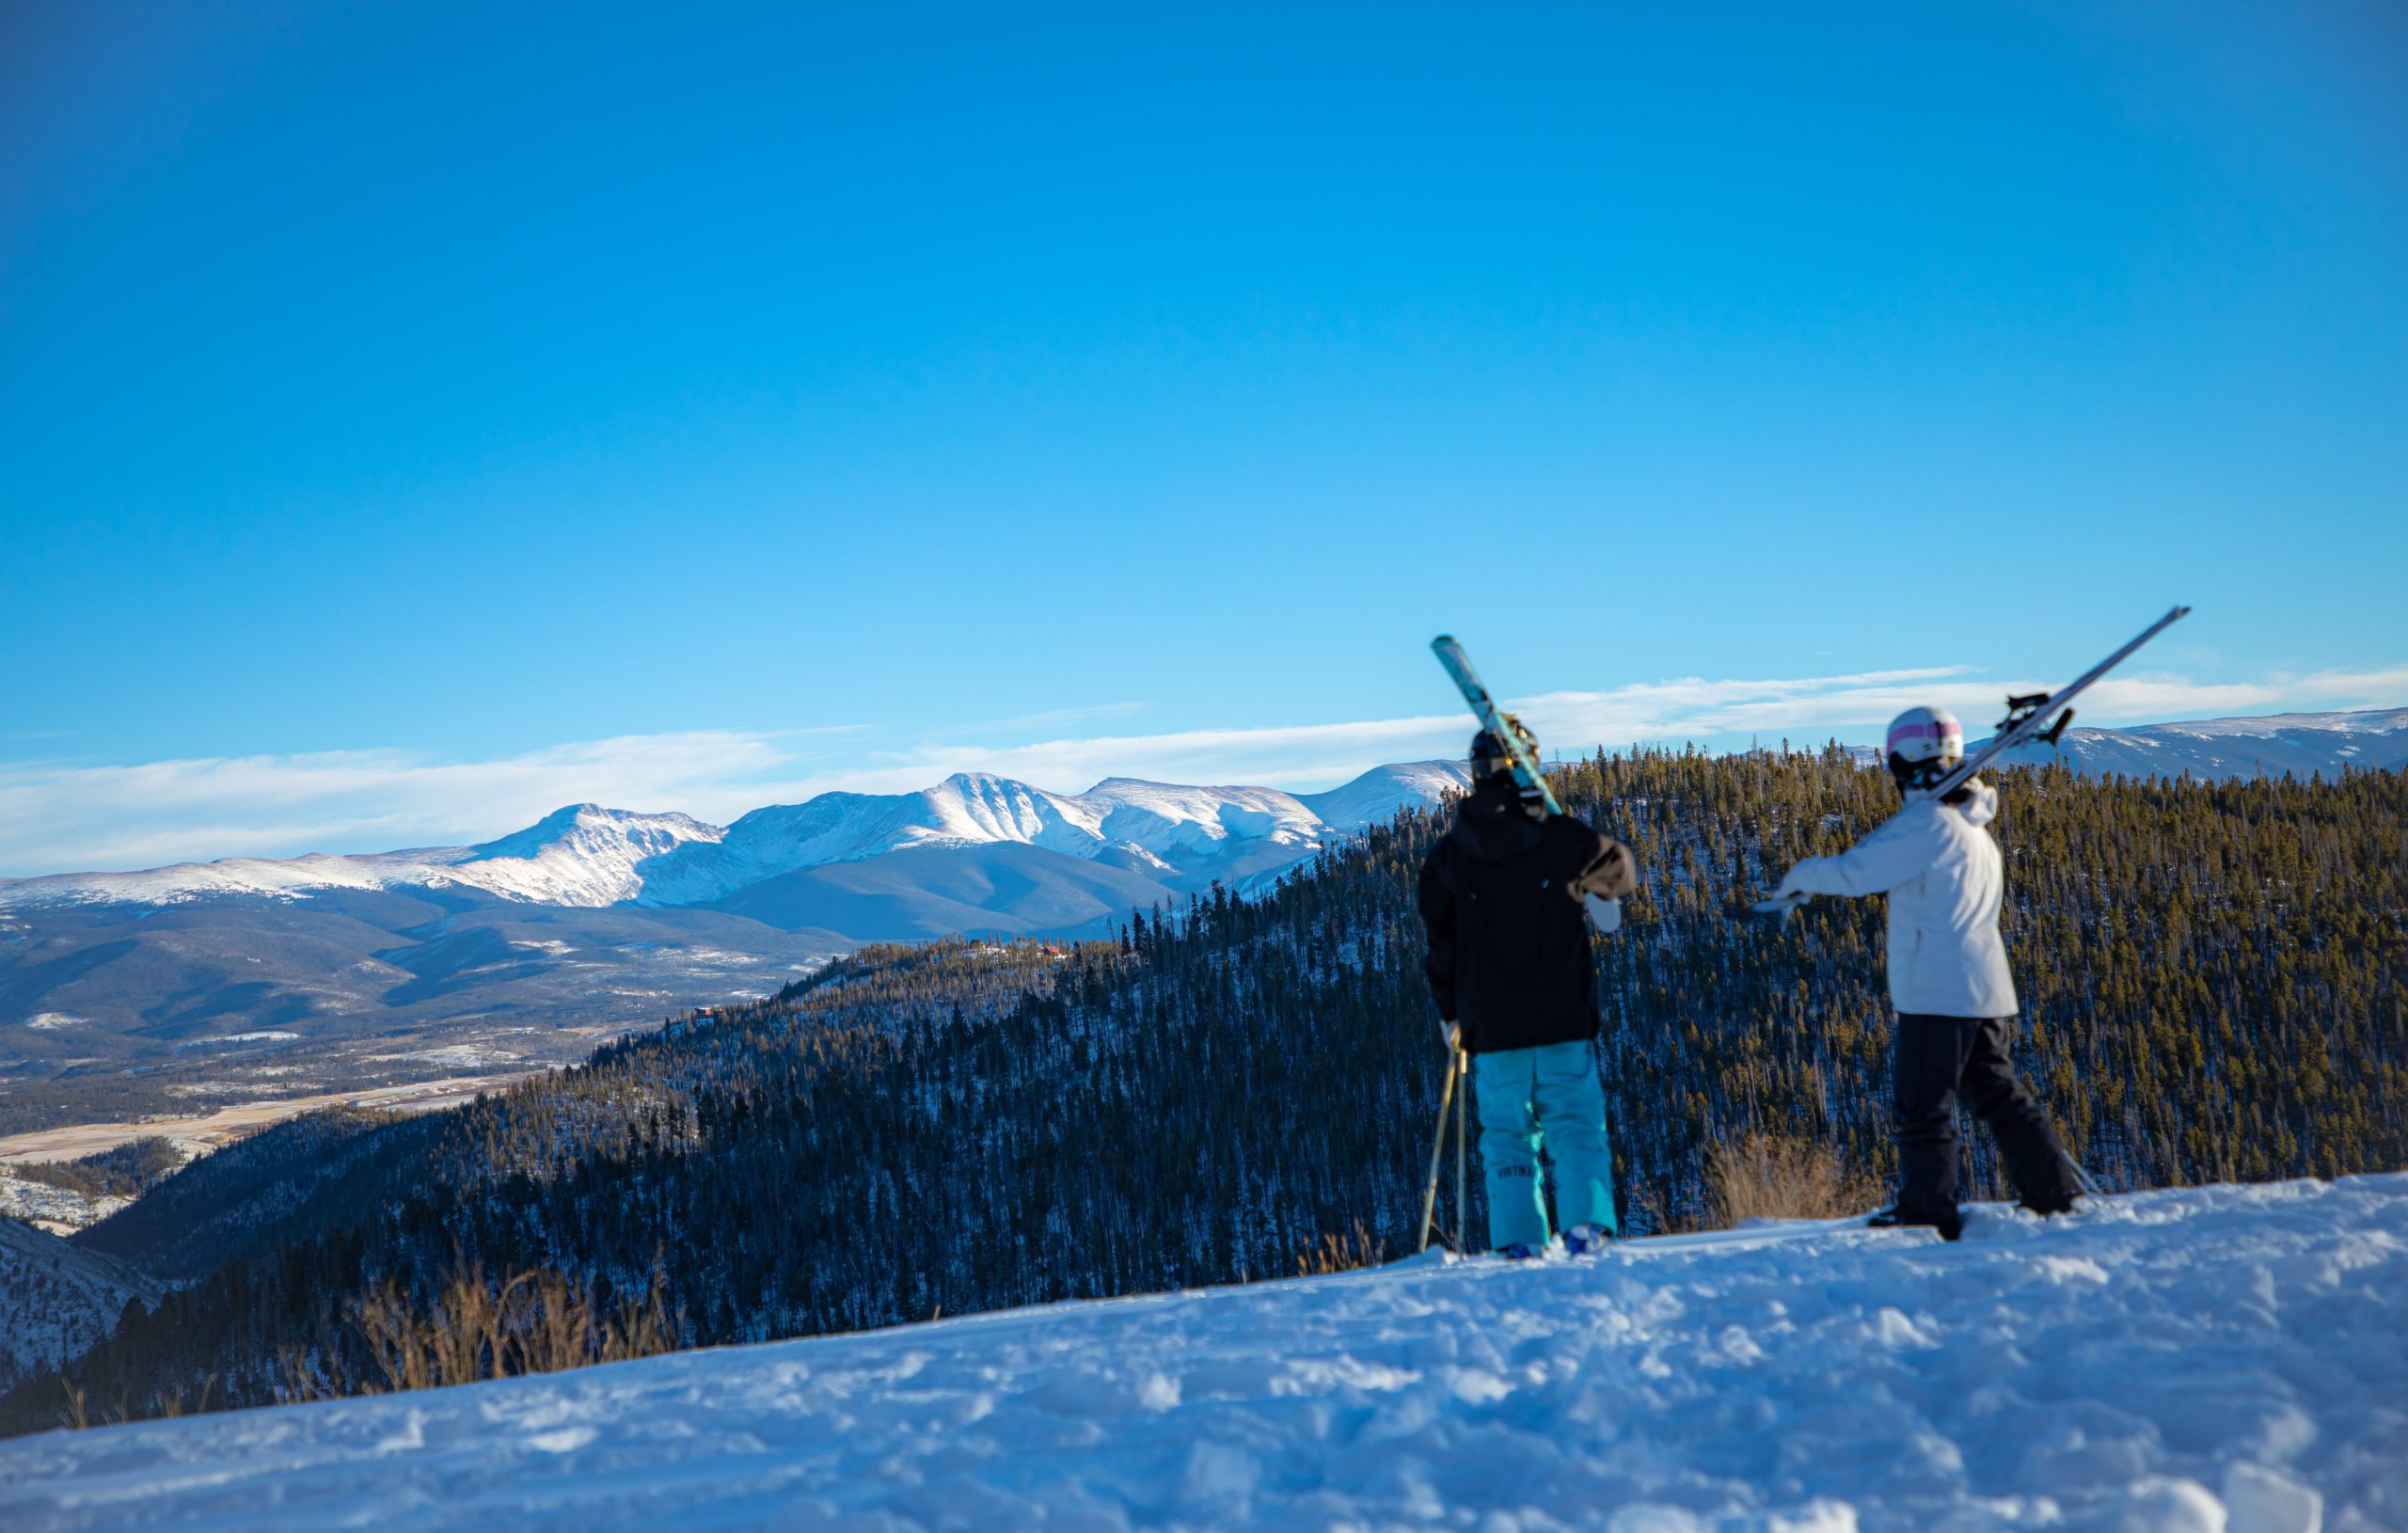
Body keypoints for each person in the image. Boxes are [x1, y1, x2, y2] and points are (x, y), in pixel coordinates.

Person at [1768, 705, 2082, 1239]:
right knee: (1999, 1097)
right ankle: (2052, 1192)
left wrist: (1803, 874)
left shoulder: (1930, 823)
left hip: (1937, 992)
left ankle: (1927, 1210)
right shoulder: (1969, 826)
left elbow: (1856, 872)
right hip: (1982, 987)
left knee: (1923, 1106)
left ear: (1903, 760)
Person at [1418, 720, 1637, 1257]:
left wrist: (1451, 1015)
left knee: (1507, 1140)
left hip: (1491, 1028)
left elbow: (1440, 947)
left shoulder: (1448, 857)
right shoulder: (1564, 840)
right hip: (1562, 1018)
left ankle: (1519, 1243)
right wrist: (1567, 829)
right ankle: (1587, 1230)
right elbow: (1620, 879)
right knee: (1576, 1128)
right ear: (1528, 767)